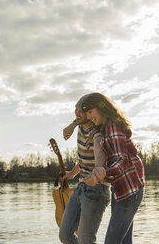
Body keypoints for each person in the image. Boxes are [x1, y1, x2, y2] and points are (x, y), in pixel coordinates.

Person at [80, 92, 145, 244]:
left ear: (101, 108)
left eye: (91, 112)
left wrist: (101, 175)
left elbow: (122, 160)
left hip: (130, 190)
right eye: (87, 113)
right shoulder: (105, 128)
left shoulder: (113, 125)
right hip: (120, 190)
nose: (89, 117)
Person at [59, 94, 110, 244]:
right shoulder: (80, 126)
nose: (76, 113)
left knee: (86, 240)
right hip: (81, 187)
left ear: (90, 114)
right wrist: (72, 173)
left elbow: (98, 154)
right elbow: (83, 159)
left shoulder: (97, 132)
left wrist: (98, 170)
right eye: (76, 109)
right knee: (65, 235)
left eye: (81, 111)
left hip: (97, 189)